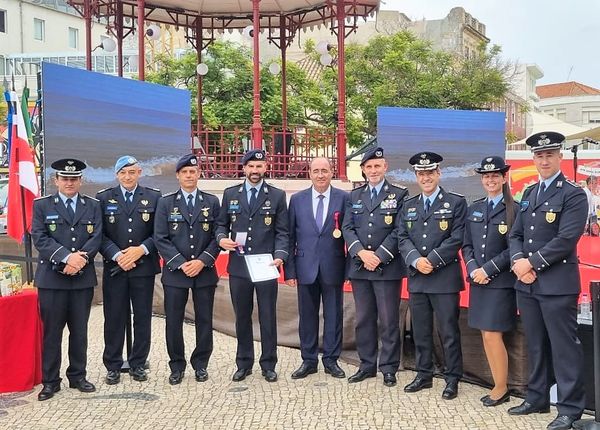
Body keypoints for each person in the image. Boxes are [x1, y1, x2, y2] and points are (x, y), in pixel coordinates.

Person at [508, 132, 588, 430]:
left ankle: (570, 409)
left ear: (559, 157)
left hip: (556, 284)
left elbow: (566, 238)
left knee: (564, 348)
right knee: (536, 344)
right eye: (539, 156)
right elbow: (516, 234)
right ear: (534, 159)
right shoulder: (529, 194)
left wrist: (531, 263)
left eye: (549, 155)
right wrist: (518, 263)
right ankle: (537, 396)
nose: (544, 160)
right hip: (526, 283)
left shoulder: (573, 194)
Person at [31, 158, 102, 401]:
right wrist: (66, 258)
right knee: (52, 332)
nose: (69, 182)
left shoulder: (92, 205)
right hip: (52, 280)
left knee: (79, 331)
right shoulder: (42, 205)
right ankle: (50, 381)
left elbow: (96, 237)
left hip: (81, 278)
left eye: (74, 179)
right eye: (65, 178)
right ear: (56, 180)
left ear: (80, 181)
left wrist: (78, 261)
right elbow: (40, 238)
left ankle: (78, 376)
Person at [397, 151, 467, 400]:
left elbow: (457, 237)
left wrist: (432, 261)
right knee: (421, 330)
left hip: (444, 277)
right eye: (421, 174)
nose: (426, 177)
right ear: (416, 176)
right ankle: (424, 374)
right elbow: (402, 238)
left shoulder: (456, 203)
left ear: (438, 173)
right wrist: (416, 260)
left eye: (430, 173)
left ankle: (452, 377)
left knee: (448, 331)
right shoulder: (409, 205)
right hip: (418, 277)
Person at [216, 149, 289, 383]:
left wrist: (280, 255)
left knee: (268, 315)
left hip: (266, 265)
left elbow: (282, 232)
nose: (255, 171)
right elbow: (220, 225)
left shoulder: (277, 195)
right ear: (244, 168)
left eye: (259, 167)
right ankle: (243, 362)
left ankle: (269, 363)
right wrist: (221, 239)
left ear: (265, 168)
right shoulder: (230, 194)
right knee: (242, 316)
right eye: (250, 166)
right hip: (239, 266)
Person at [341, 147, 408, 387]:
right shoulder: (354, 196)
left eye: (377, 166)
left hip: (386, 267)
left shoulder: (399, 195)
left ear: (385, 167)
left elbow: (400, 230)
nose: (373, 170)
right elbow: (347, 228)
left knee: (388, 320)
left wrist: (378, 256)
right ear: (363, 169)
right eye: (368, 167)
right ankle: (366, 365)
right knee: (363, 319)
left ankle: (389, 367)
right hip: (360, 266)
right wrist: (361, 252)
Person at [153, 154, 221, 385]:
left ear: (199, 174)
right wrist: (181, 263)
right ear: (178, 176)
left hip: (204, 271)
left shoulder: (211, 202)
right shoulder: (166, 202)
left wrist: (202, 261)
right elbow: (160, 238)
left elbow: (217, 236)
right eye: (185, 172)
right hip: (175, 273)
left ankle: (201, 364)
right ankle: (177, 365)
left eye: (193, 172)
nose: (189, 175)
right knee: (173, 320)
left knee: (204, 319)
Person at [96, 156, 161, 384]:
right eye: (123, 173)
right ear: (116, 175)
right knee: (113, 317)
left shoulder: (154, 196)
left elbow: (159, 233)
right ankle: (113, 365)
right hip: (116, 267)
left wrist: (140, 250)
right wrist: (118, 255)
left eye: (132, 172)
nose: (127, 177)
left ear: (139, 173)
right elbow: (99, 235)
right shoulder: (103, 198)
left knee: (142, 317)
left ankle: (138, 363)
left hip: (143, 267)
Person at [285, 157, 349, 379]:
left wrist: (348, 270)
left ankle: (331, 360)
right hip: (305, 267)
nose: (320, 175)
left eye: (325, 170)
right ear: (309, 174)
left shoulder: (344, 199)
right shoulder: (297, 200)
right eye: (316, 171)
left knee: (333, 316)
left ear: (332, 172)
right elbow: (290, 236)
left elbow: (349, 235)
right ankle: (308, 360)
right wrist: (290, 271)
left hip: (334, 266)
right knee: (307, 316)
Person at [462, 156, 518, 407]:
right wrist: (474, 269)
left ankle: (501, 386)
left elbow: (514, 248)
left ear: (504, 178)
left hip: (500, 282)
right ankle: (498, 382)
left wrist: (488, 270)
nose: (490, 180)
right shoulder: (475, 207)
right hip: (479, 281)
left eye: (495, 175)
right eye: (486, 176)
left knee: (494, 335)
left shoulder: (514, 209)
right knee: (486, 335)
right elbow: (467, 245)